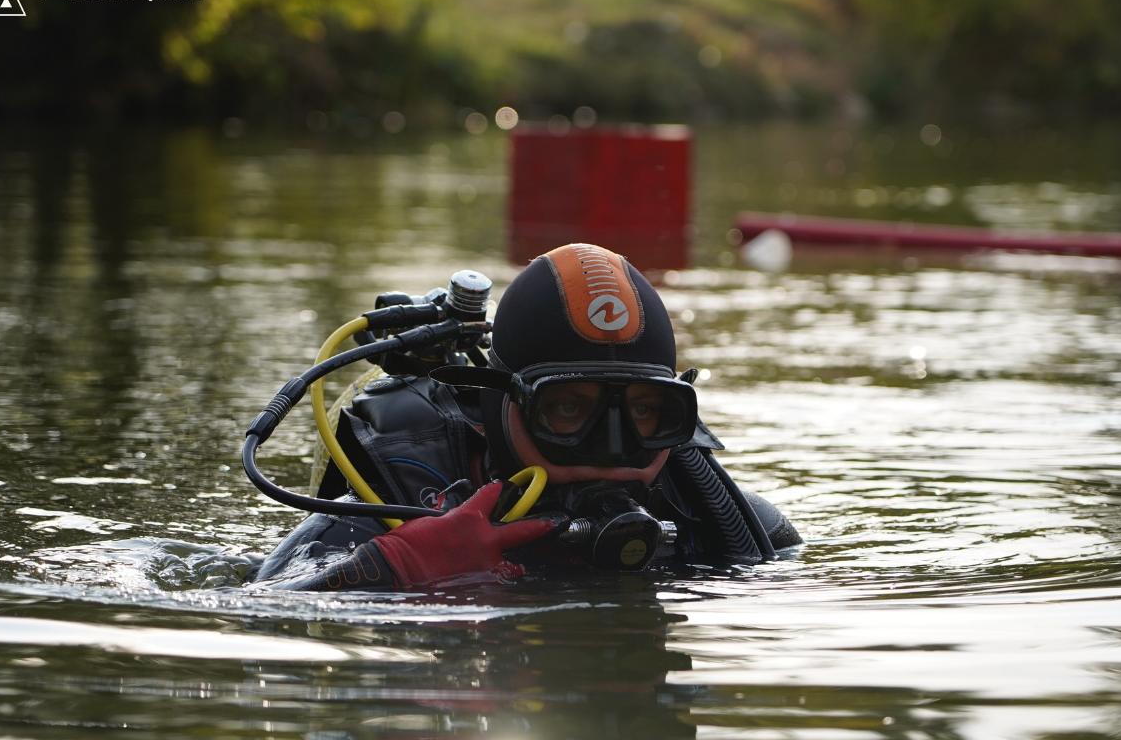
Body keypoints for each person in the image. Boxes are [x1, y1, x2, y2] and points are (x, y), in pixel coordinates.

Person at [248, 243, 801, 590]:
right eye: (566, 409)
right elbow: (254, 609)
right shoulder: (400, 517)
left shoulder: (728, 524)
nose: (611, 453)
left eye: (645, 411)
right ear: (497, 406)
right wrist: (400, 567)